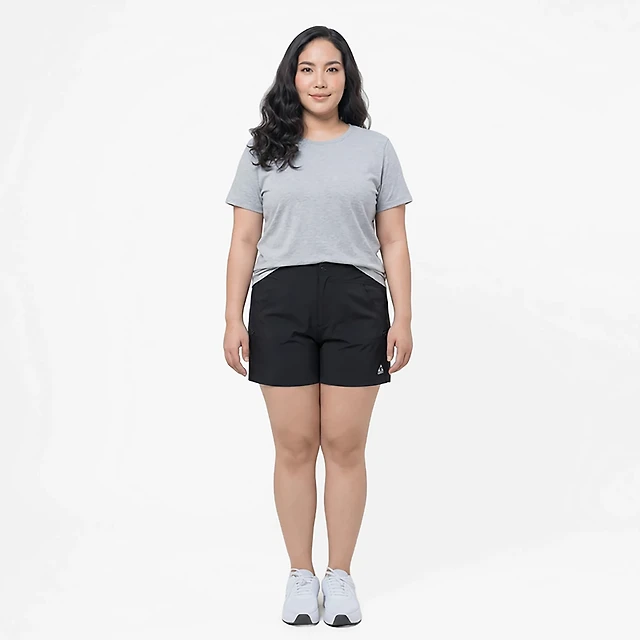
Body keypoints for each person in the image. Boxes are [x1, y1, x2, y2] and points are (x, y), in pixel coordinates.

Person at [223, 25, 413, 627]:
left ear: (346, 78)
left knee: (346, 445)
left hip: (357, 302)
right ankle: (300, 576)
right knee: (295, 445)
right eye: (307, 69)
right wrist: (232, 317)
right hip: (280, 302)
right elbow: (244, 239)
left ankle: (341, 575)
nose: (320, 81)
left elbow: (393, 239)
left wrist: (403, 317)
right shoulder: (263, 149)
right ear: (292, 77)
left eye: (332, 69)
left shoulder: (375, 148)